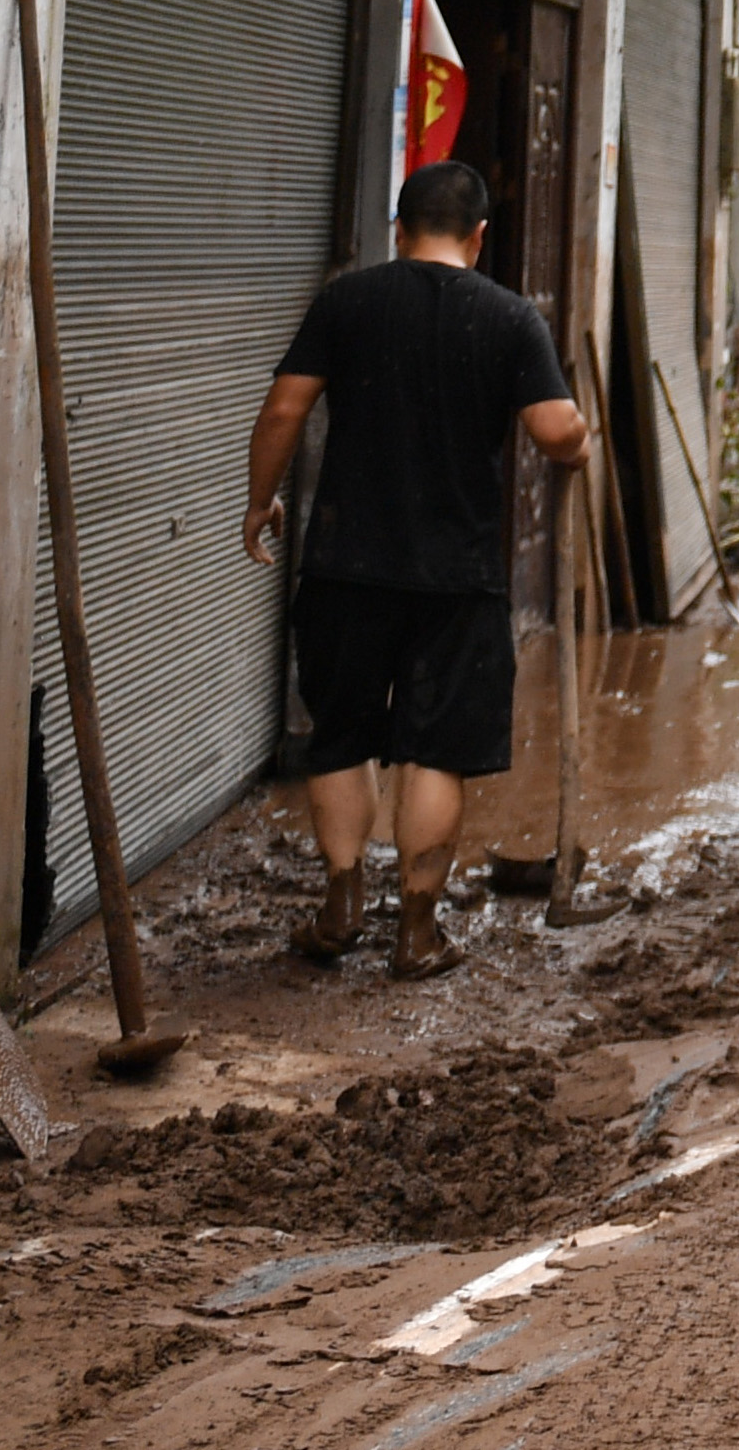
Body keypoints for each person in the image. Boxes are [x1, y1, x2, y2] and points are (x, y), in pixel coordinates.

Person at [241, 159, 587, 979]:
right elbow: (555, 431)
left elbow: (284, 407)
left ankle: (341, 907)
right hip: (457, 576)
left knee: (341, 738)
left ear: (398, 230)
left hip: (344, 563)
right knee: (435, 752)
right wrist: (580, 443)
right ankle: (417, 933)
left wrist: (259, 503)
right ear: (480, 237)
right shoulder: (510, 317)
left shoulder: (346, 301)